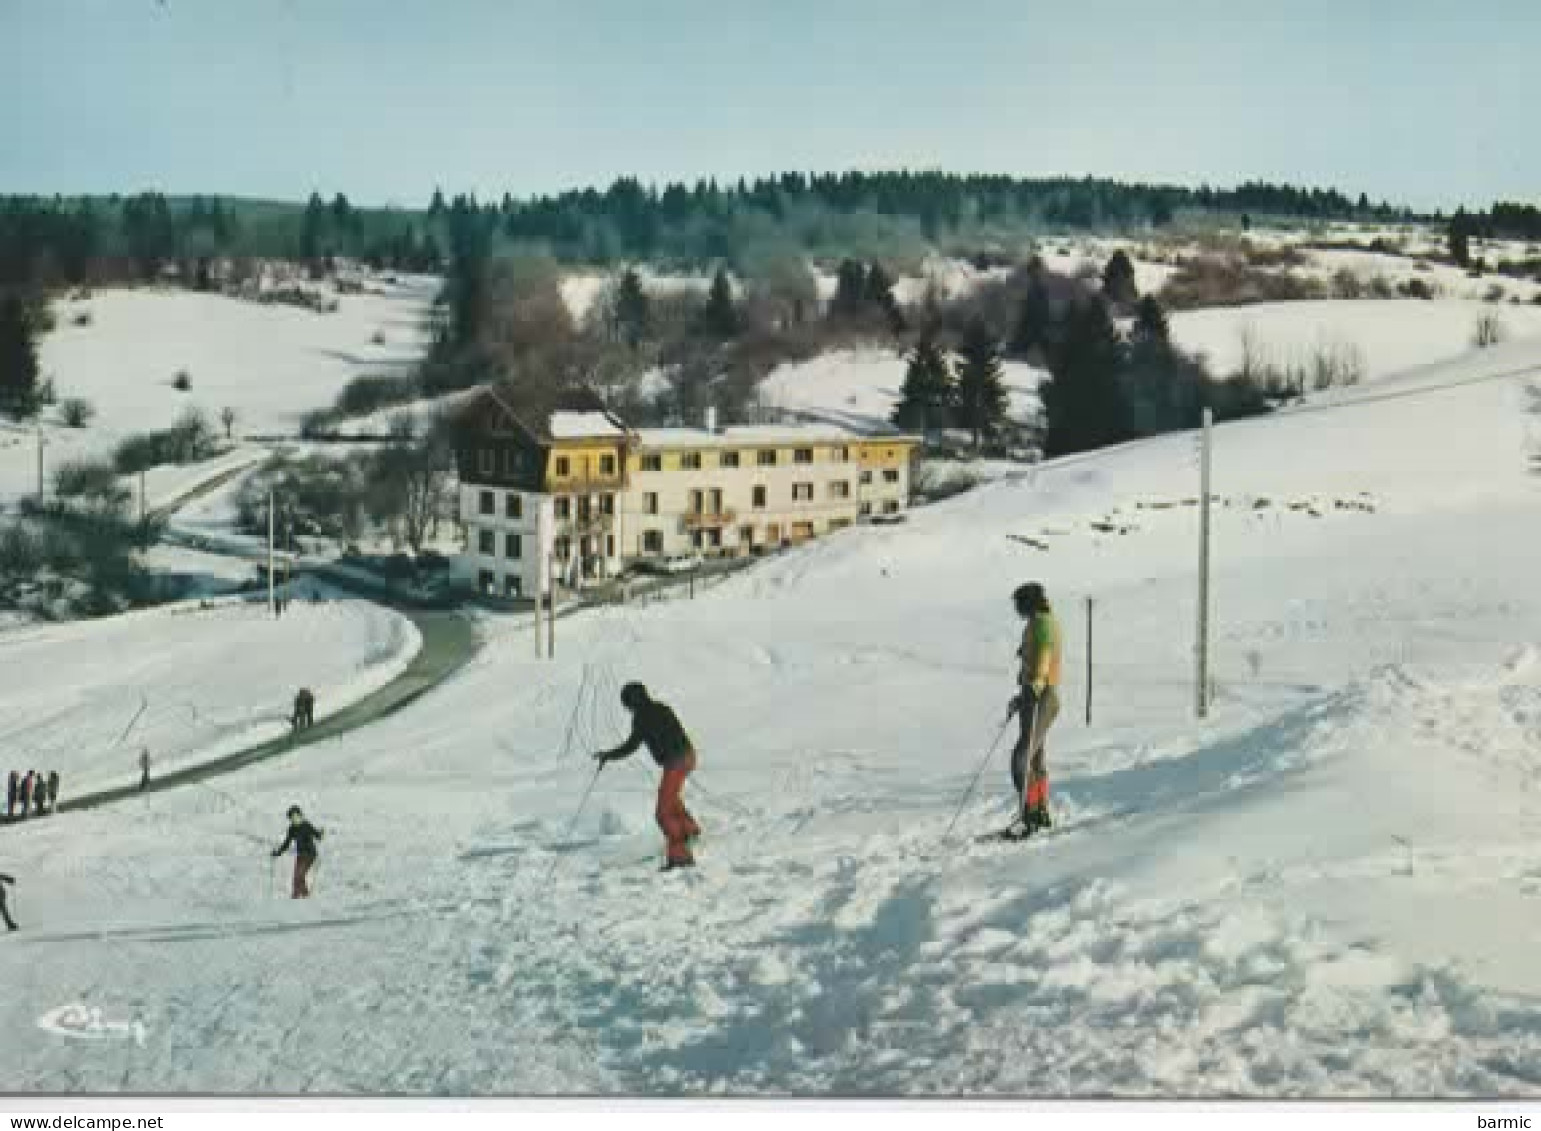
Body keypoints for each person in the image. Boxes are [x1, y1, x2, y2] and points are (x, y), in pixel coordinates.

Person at [593, 683, 702, 871]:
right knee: (670, 797)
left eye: (626, 703)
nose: (627, 708)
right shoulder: (661, 708)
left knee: (663, 813)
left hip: (676, 761)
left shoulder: (642, 717)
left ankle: (680, 857)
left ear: (632, 701)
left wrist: (608, 755)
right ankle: (689, 831)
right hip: (688, 756)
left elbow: (631, 746)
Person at [1005, 582, 1062, 840]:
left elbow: (1045, 654)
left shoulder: (1043, 623)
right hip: (1033, 695)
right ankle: (1039, 813)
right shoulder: (1036, 621)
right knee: (1035, 759)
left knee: (1021, 758)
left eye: (1019, 603)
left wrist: (1036, 683)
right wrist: (1021, 696)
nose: (1017, 609)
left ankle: (1028, 815)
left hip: (1042, 695)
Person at [272, 805, 324, 898]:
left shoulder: (306, 825)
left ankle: (300, 897)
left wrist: (320, 833)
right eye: (291, 818)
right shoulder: (292, 829)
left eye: (295, 816)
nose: (294, 819)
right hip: (300, 855)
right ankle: (300, 896)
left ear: (300, 815)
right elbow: (286, 843)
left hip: (310, 854)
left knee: (299, 876)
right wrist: (278, 852)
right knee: (297, 878)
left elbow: (317, 835)